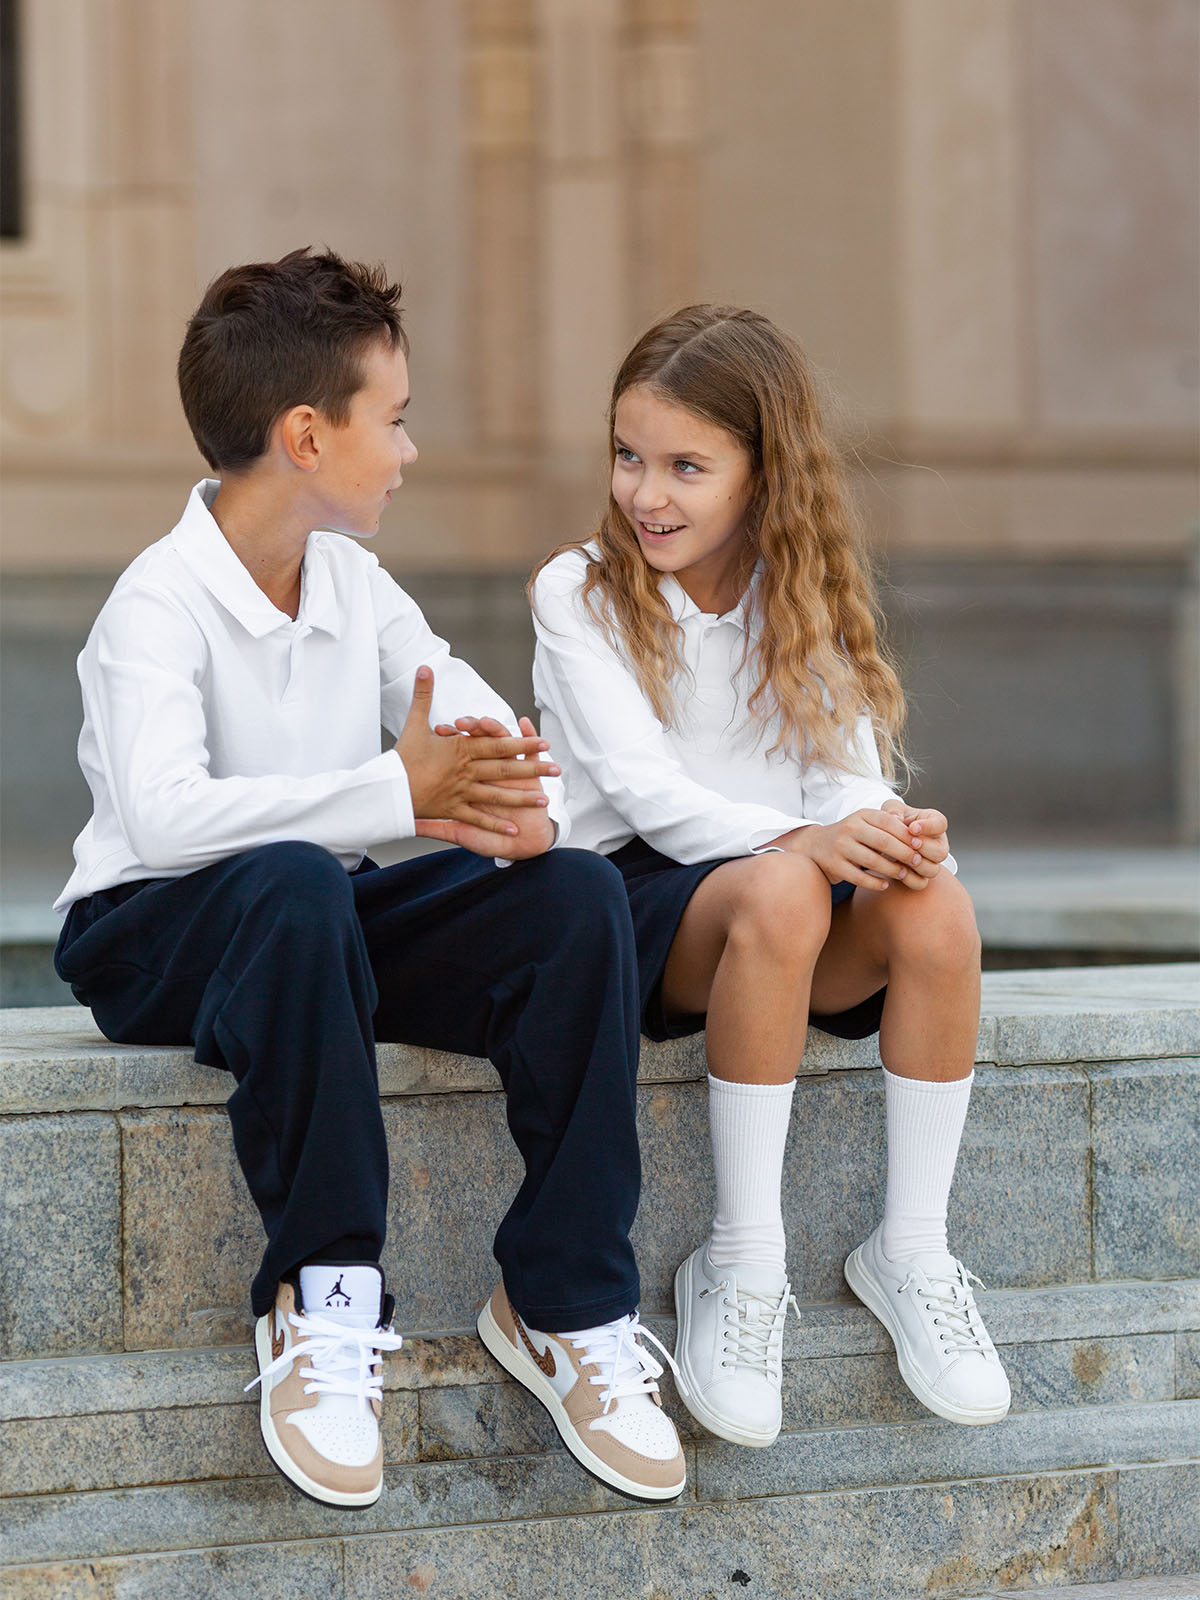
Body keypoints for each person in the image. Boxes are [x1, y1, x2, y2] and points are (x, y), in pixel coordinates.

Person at [53, 248, 686, 1508]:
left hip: (315, 919)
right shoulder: (154, 604)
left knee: (575, 899)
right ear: (304, 433)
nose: (406, 451)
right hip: (155, 929)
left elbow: (502, 744)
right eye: (390, 421)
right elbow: (170, 818)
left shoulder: (354, 580)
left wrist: (513, 814)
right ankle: (323, 1299)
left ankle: (565, 1299)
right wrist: (402, 795)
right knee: (289, 881)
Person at [529, 305, 1011, 1451]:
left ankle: (913, 1251)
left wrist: (890, 831)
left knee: (935, 902)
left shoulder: (801, 594)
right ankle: (740, 1265)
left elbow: (840, 775)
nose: (648, 492)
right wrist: (802, 843)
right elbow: (646, 795)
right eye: (629, 456)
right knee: (786, 887)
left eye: (688, 466)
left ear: (763, 473)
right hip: (634, 901)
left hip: (777, 895)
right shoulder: (580, 590)